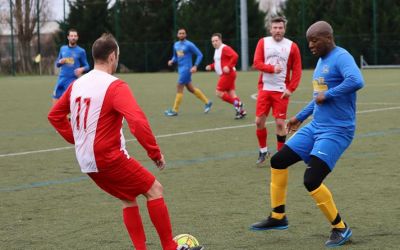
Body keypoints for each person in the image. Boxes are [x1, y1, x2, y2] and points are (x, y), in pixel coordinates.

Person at [48, 33, 204, 250]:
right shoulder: (115, 86)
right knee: (154, 189)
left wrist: (78, 139)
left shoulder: (77, 84)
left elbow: (54, 116)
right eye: (117, 55)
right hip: (107, 158)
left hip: (86, 161)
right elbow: (138, 122)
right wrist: (155, 154)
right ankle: (170, 246)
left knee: (128, 197)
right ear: (112, 56)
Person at [250, 21, 364, 248]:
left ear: (328, 38)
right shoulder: (322, 61)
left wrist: (329, 94)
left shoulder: (341, 57)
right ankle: (278, 216)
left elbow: (357, 80)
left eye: (315, 40)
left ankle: (341, 228)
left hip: (337, 130)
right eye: (309, 41)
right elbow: (318, 98)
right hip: (316, 126)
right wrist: (300, 117)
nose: (310, 45)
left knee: (311, 180)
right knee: (279, 160)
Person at [253, 16, 302, 165]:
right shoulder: (263, 42)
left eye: (280, 28)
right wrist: (272, 68)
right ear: (270, 29)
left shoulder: (292, 46)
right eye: (275, 28)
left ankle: (281, 156)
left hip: (281, 91)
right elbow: (257, 63)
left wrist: (290, 88)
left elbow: (297, 70)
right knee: (258, 122)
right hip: (265, 89)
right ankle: (263, 150)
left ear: (284, 29)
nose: (277, 31)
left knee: (280, 124)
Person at [165, 28, 212, 116]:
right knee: (191, 89)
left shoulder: (189, 44)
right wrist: (171, 61)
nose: (182, 35)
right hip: (180, 69)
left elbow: (200, 54)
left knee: (179, 87)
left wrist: (195, 66)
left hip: (187, 69)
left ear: (186, 35)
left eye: (183, 33)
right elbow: (175, 56)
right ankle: (207, 102)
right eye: (180, 33)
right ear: (177, 35)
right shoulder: (176, 44)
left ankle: (174, 110)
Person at [205, 33, 246, 119]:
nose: (214, 43)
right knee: (232, 94)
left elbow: (235, 56)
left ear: (220, 40)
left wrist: (229, 66)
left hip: (228, 74)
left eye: (216, 40)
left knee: (219, 93)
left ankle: (238, 104)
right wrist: (211, 66)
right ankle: (241, 112)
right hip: (227, 74)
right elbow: (218, 63)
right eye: (213, 41)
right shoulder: (217, 50)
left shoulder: (224, 48)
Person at [52, 28, 89, 105]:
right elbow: (57, 64)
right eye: (71, 36)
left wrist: (82, 69)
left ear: (77, 37)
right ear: (68, 37)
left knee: (70, 104)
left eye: (75, 36)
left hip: (72, 81)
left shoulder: (81, 51)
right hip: (61, 79)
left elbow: (87, 66)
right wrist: (60, 61)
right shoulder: (63, 49)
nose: (73, 37)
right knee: (55, 102)